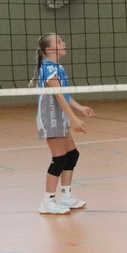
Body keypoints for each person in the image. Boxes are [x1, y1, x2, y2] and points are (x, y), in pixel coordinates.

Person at [32, 33, 95, 215]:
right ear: (50, 49)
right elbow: (58, 96)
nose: (63, 42)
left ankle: (66, 196)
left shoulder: (58, 67)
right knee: (59, 158)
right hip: (51, 117)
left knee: (72, 154)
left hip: (59, 116)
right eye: (59, 41)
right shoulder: (48, 68)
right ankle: (47, 201)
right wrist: (74, 119)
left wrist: (80, 108)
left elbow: (64, 93)